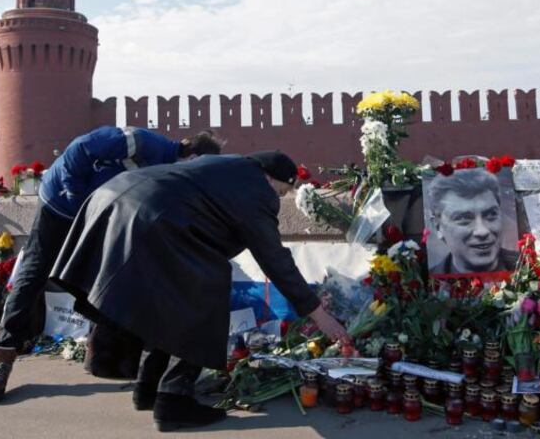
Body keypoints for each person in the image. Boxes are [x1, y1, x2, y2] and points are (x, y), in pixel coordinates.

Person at [49, 151, 349, 431]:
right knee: (205, 293)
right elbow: (274, 258)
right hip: (152, 215)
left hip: (115, 198)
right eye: (282, 192)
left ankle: (148, 387)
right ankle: (173, 401)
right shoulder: (256, 189)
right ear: (271, 178)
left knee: (166, 301)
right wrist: (318, 313)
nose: (278, 199)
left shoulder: (223, 167)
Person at [0, 126, 222, 405]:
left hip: (94, 215)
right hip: (59, 206)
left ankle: (109, 359)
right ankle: (3, 357)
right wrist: (75, 196)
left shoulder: (166, 170)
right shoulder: (143, 143)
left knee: (111, 281)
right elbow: (80, 149)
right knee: (33, 274)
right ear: (192, 156)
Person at [428, 168, 506, 274]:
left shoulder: (529, 267)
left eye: (491, 214)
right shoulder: (424, 284)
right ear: (438, 226)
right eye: (463, 218)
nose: (482, 231)